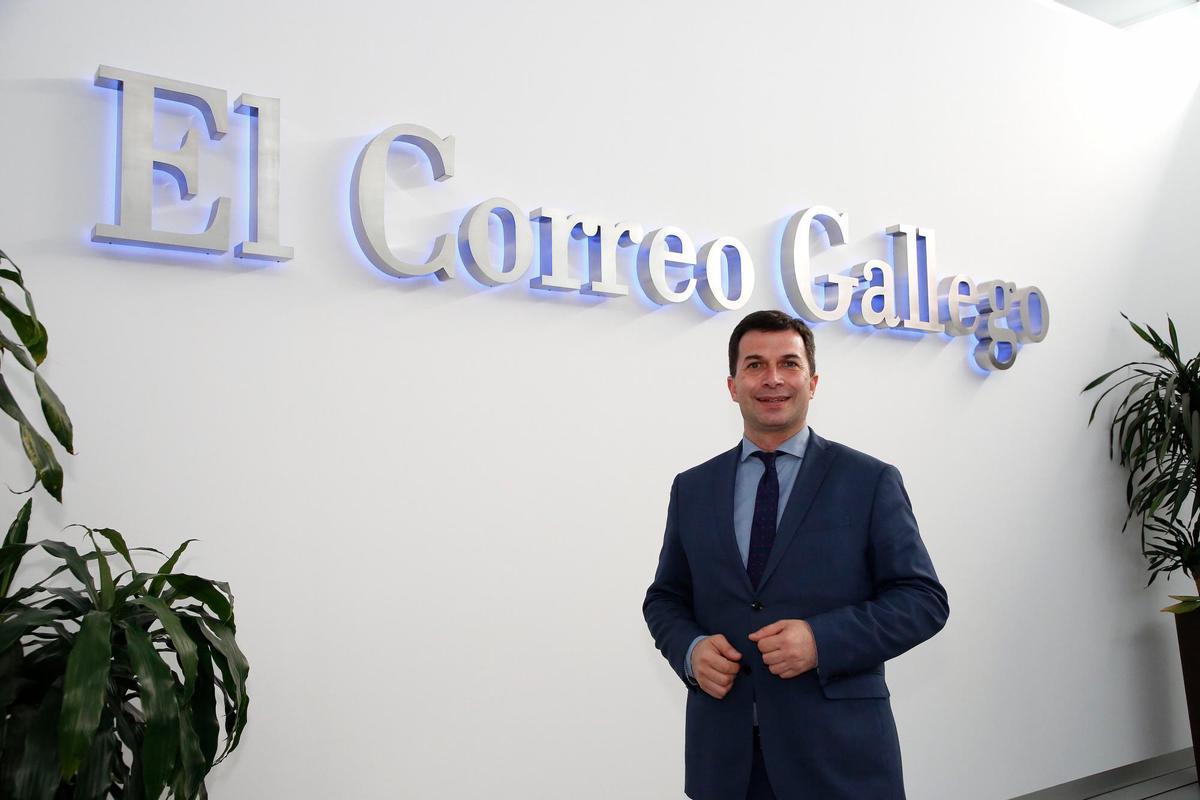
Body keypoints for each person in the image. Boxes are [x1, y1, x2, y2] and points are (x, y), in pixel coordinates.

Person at [643, 309, 948, 800]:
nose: (773, 379)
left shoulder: (869, 481)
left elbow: (922, 600)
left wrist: (821, 639)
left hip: (840, 759)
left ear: (812, 381)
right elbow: (665, 599)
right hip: (725, 762)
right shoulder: (693, 488)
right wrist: (691, 649)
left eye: (788, 363)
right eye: (755, 365)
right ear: (732, 384)